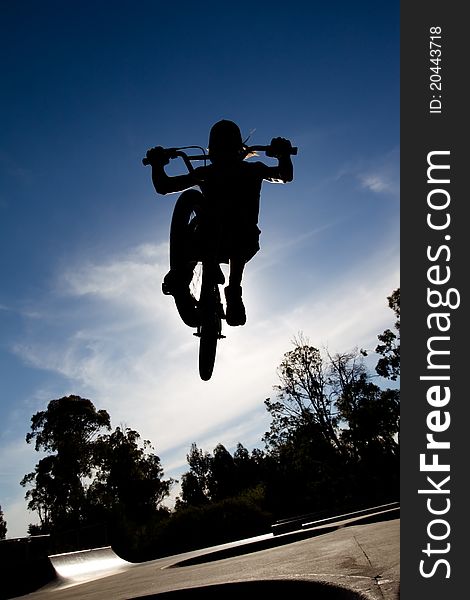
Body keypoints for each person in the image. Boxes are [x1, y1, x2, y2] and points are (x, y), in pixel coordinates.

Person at [145, 119, 294, 327]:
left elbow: (284, 175)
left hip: (241, 237)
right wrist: (157, 164)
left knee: (233, 232)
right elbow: (164, 187)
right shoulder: (208, 173)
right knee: (199, 223)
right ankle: (184, 276)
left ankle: (233, 291)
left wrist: (283, 154)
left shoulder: (252, 170)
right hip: (212, 237)